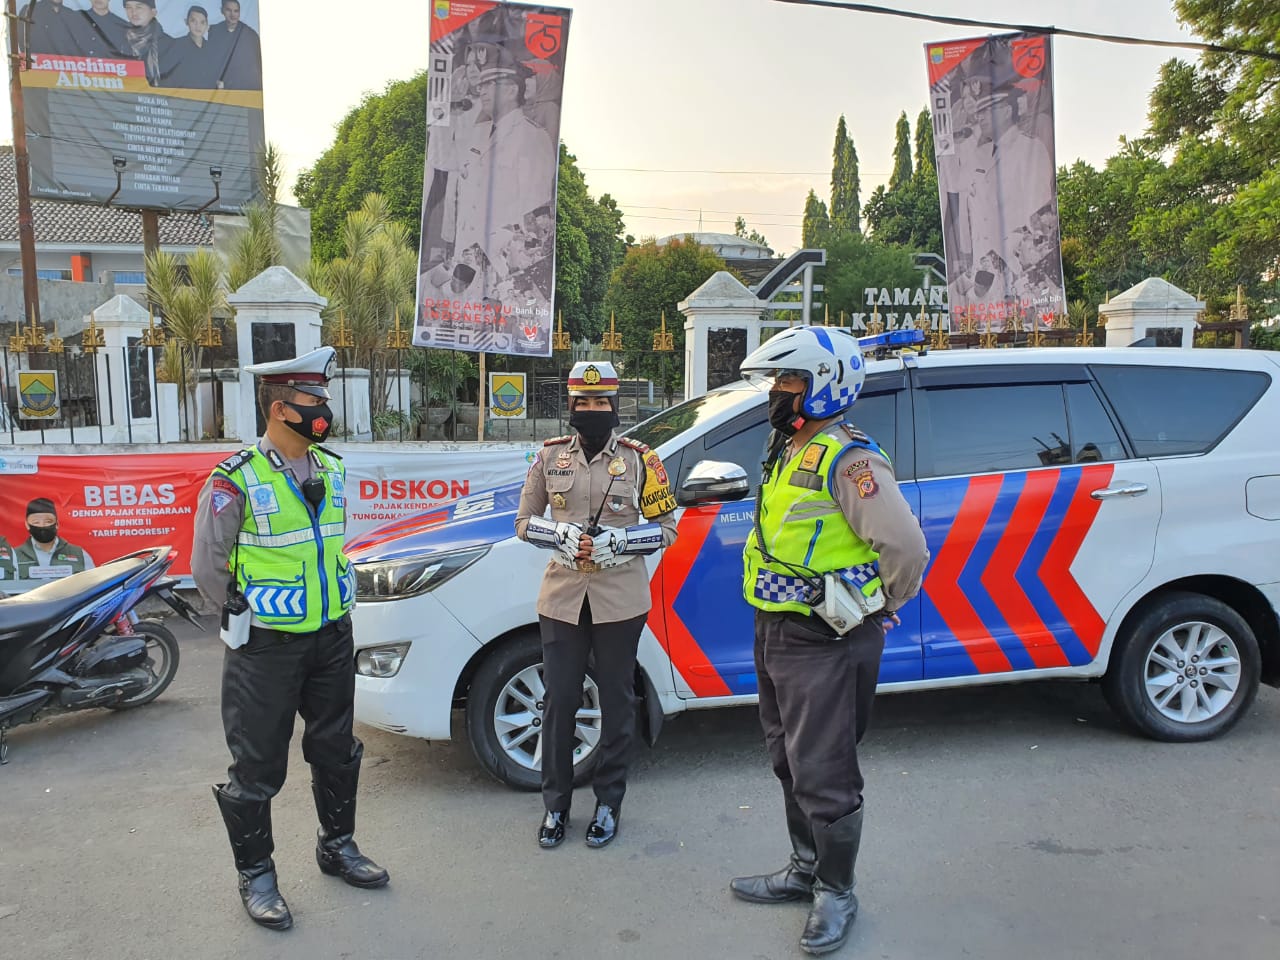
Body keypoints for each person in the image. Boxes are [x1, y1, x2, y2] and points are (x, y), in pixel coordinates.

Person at [731, 326, 930, 957]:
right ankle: (805, 867)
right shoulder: (789, 447)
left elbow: (905, 547)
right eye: (777, 383)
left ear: (823, 386)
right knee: (787, 757)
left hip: (827, 637)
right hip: (778, 628)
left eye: (788, 382)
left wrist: (885, 604)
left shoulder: (851, 459)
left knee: (826, 770)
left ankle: (837, 891)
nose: (777, 394)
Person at [191, 346, 388, 932]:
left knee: (336, 747)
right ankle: (257, 876)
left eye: (323, 399)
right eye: (313, 401)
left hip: (330, 635)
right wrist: (244, 614)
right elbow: (209, 565)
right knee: (256, 764)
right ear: (280, 409)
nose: (324, 410)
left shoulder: (332, 468)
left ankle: (338, 846)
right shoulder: (235, 479)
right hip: (266, 646)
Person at [514, 361, 679, 850]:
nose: (591, 411)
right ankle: (555, 806)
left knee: (617, 702)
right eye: (582, 403)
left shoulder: (640, 461)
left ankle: (609, 801)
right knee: (560, 700)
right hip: (563, 597)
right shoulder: (548, 459)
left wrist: (623, 541)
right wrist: (556, 534)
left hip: (621, 599)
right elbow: (523, 520)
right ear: (570, 406)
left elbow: (668, 525)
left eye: (600, 403)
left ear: (614, 407)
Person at [453, 42, 556, 275]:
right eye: (482, 84)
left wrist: (502, 269)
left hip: (500, 268)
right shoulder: (479, 134)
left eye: (490, 84)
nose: (482, 91)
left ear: (511, 90)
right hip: (465, 262)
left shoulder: (533, 138)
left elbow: (536, 219)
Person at [14, 498, 95, 580]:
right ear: (27, 525)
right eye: (36, 522)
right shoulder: (14, 556)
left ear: (57, 524)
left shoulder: (79, 554)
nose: (42, 526)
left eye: (48, 521)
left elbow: (93, 584)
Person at [161, 5, 219, 89]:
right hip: (184, 96)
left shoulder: (212, 49)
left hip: (207, 97)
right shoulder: (177, 45)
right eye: (193, 21)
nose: (198, 26)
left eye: (202, 22)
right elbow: (165, 73)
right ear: (186, 22)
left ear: (207, 25)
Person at [207, 0, 261, 90]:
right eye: (229, 10)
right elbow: (210, 60)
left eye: (236, 11)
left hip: (243, 87)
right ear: (222, 11)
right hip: (219, 87)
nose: (233, 15)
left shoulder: (250, 35)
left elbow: (254, 67)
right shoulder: (214, 31)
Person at [121, 0, 171, 86]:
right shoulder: (119, 41)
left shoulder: (170, 45)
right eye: (129, 7)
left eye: (139, 7)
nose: (134, 12)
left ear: (153, 12)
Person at [17, 0, 83, 56]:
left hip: (67, 67)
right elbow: (23, 43)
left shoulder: (71, 15)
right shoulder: (29, 11)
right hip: (39, 67)